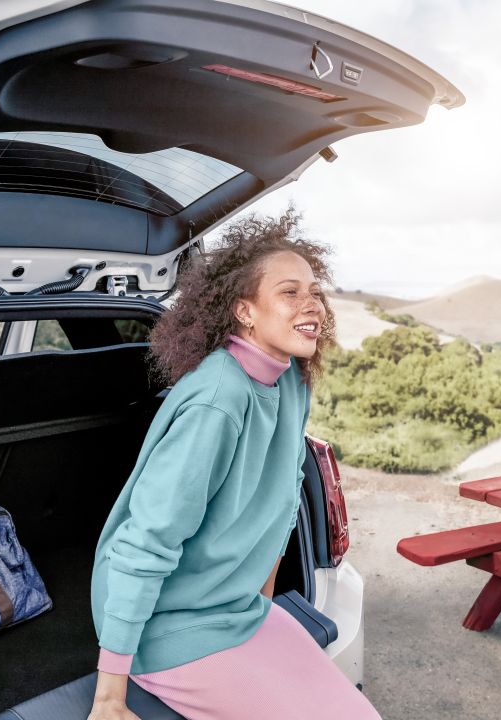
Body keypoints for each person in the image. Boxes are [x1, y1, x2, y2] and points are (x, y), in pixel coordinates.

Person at [87, 211, 380, 720]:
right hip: (168, 624)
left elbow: (285, 495)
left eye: (314, 291)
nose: (311, 304)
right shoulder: (217, 402)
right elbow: (146, 540)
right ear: (245, 311)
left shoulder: (291, 380)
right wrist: (108, 698)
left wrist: (260, 597)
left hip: (234, 607)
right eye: (290, 292)